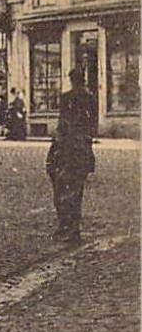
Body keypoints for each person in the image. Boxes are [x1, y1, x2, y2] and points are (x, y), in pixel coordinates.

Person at [46, 69, 98, 244]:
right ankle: (73, 229)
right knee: (77, 191)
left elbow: (63, 122)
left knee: (62, 190)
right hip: (82, 148)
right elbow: (93, 123)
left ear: (71, 80)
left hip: (68, 149)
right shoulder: (90, 97)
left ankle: (64, 227)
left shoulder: (66, 98)